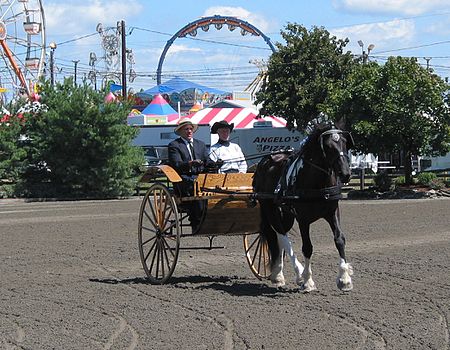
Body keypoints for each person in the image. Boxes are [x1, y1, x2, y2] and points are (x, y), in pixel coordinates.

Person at [168, 118, 213, 231]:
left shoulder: (200, 144)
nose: (189, 131)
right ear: (180, 131)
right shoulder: (174, 145)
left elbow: (207, 161)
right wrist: (190, 163)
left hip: (200, 178)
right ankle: (197, 223)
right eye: (186, 129)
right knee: (197, 192)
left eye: (190, 129)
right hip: (184, 179)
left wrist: (215, 164)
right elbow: (176, 164)